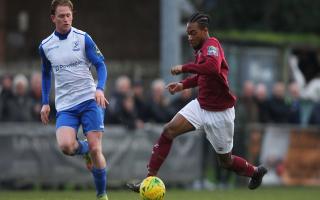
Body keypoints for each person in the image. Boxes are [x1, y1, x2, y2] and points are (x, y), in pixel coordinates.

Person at [127, 12, 267, 192]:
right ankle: (148, 181)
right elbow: (203, 75)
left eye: (193, 33)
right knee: (168, 130)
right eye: (188, 33)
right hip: (200, 106)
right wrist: (182, 85)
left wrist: (183, 68)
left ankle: (255, 172)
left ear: (204, 30)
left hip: (220, 113)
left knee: (226, 162)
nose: (189, 37)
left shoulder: (212, 45)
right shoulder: (200, 50)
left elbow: (211, 68)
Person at [39, 1, 109, 199]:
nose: (66, 19)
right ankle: (84, 148)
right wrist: (45, 102)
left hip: (89, 100)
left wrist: (100, 89)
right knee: (66, 147)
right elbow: (45, 73)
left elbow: (101, 65)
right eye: (61, 16)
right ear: (53, 18)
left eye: (69, 15)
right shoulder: (45, 46)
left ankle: (102, 194)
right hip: (66, 106)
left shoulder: (83, 38)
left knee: (97, 149)